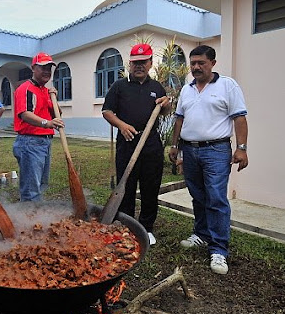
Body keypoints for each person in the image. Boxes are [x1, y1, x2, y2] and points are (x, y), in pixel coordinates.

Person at [168, 45, 248, 275]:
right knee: (198, 195)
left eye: (201, 63)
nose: (196, 67)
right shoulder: (187, 89)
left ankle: (219, 249)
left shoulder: (227, 85)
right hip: (190, 150)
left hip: (216, 150)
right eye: (193, 63)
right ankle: (201, 234)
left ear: (212, 63)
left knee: (215, 197)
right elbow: (179, 120)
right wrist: (175, 146)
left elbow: (240, 118)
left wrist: (242, 148)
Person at [102, 43, 171, 246]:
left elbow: (164, 112)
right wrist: (122, 126)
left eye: (143, 62)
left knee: (151, 187)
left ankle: (147, 228)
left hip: (150, 142)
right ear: (129, 64)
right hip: (128, 141)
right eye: (135, 62)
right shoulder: (119, 86)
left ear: (150, 63)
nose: (139, 66)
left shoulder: (156, 87)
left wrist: (166, 106)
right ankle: (127, 225)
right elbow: (107, 111)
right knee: (127, 186)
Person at [13, 52, 64, 202]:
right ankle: (29, 221)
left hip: (44, 142)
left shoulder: (45, 91)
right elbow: (25, 114)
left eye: (49, 67)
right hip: (30, 142)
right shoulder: (26, 89)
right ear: (33, 68)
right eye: (43, 67)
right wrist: (47, 123)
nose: (47, 71)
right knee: (31, 190)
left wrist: (54, 98)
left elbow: (57, 114)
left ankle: (35, 216)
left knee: (41, 184)